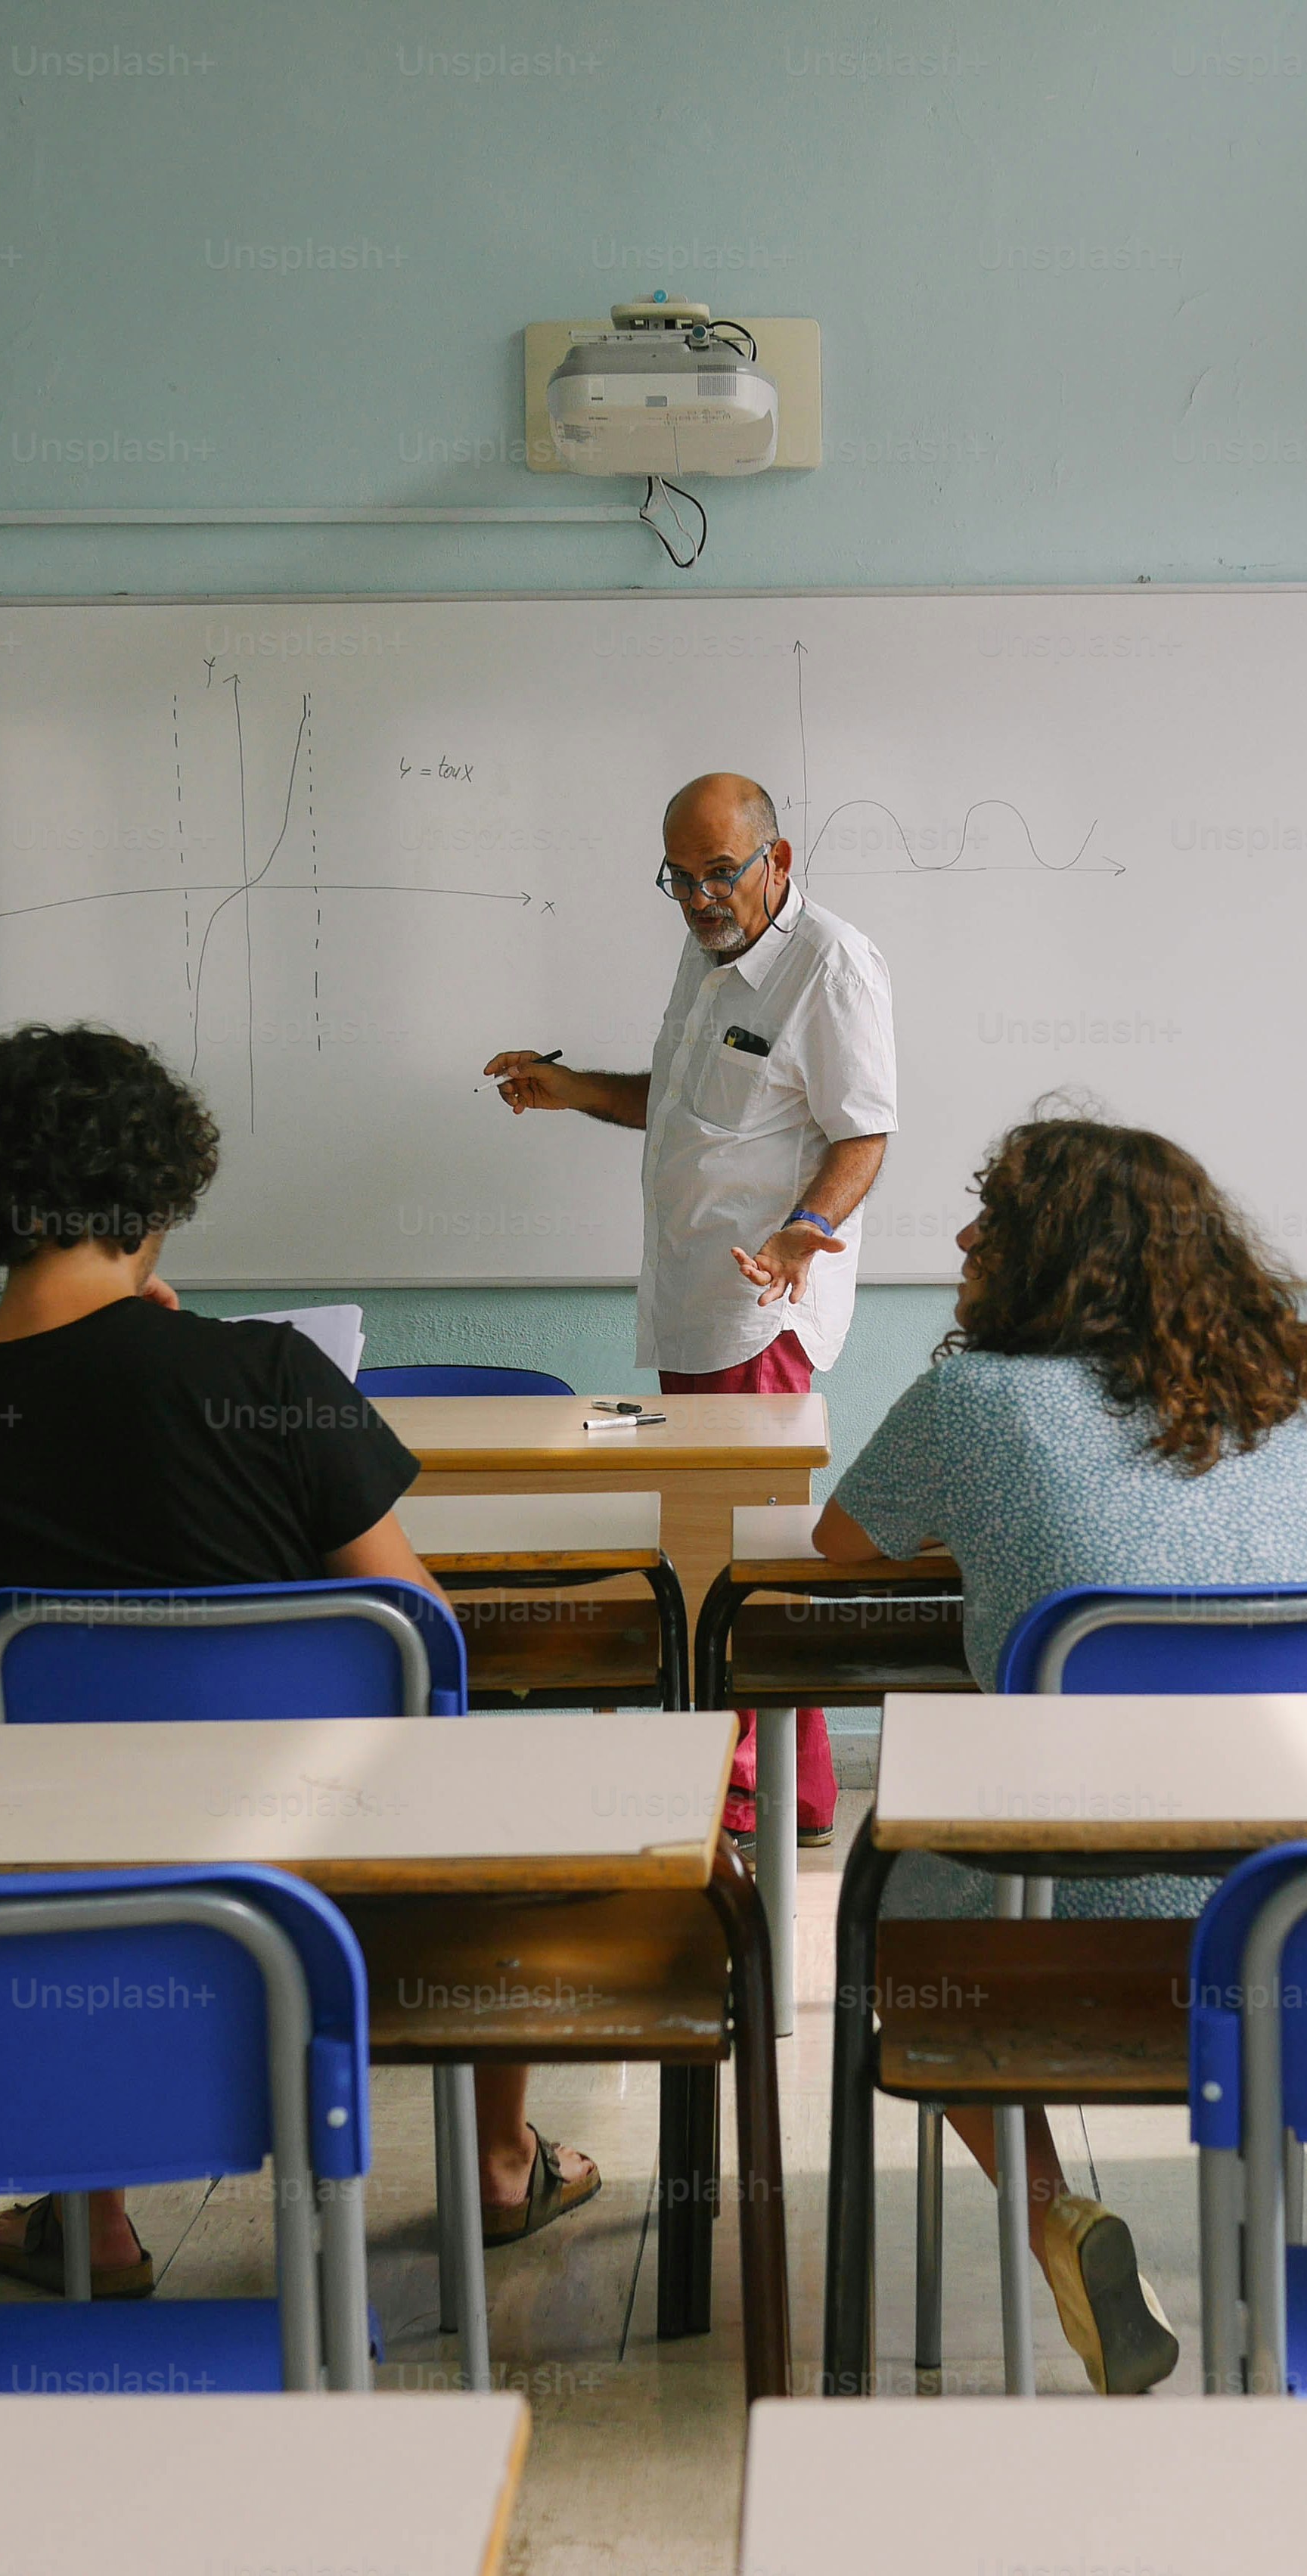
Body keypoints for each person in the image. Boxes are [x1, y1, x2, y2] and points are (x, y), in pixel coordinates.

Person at [0, 1023, 599, 2298]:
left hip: (61, 1907)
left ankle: (88, 2218)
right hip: (326, 1892)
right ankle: (492, 2159)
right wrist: (190, 1363)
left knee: (61, 1800)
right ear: (156, 1189)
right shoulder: (265, 1372)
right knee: (503, 1756)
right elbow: (421, 1642)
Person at [812, 1115, 1307, 2394]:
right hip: (1305, 1911)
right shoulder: (1286, 1395)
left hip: (1044, 1913)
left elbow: (843, 1547)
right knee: (1269, 1881)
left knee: (897, 1925)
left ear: (1054, 1255)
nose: (963, 1236)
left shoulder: (972, 1400)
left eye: (991, 1215)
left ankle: (1055, 2215)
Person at [483, 771, 897, 1845]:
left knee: (733, 1561)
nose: (702, 895)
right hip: (689, 1303)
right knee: (729, 1550)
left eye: (722, 871)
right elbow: (676, 1107)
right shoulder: (707, 952)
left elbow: (866, 1135)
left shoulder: (831, 965)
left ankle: (745, 1792)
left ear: (780, 860)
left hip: (761, 1314)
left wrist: (808, 1225)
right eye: (681, 876)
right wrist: (572, 1089)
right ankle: (797, 1793)